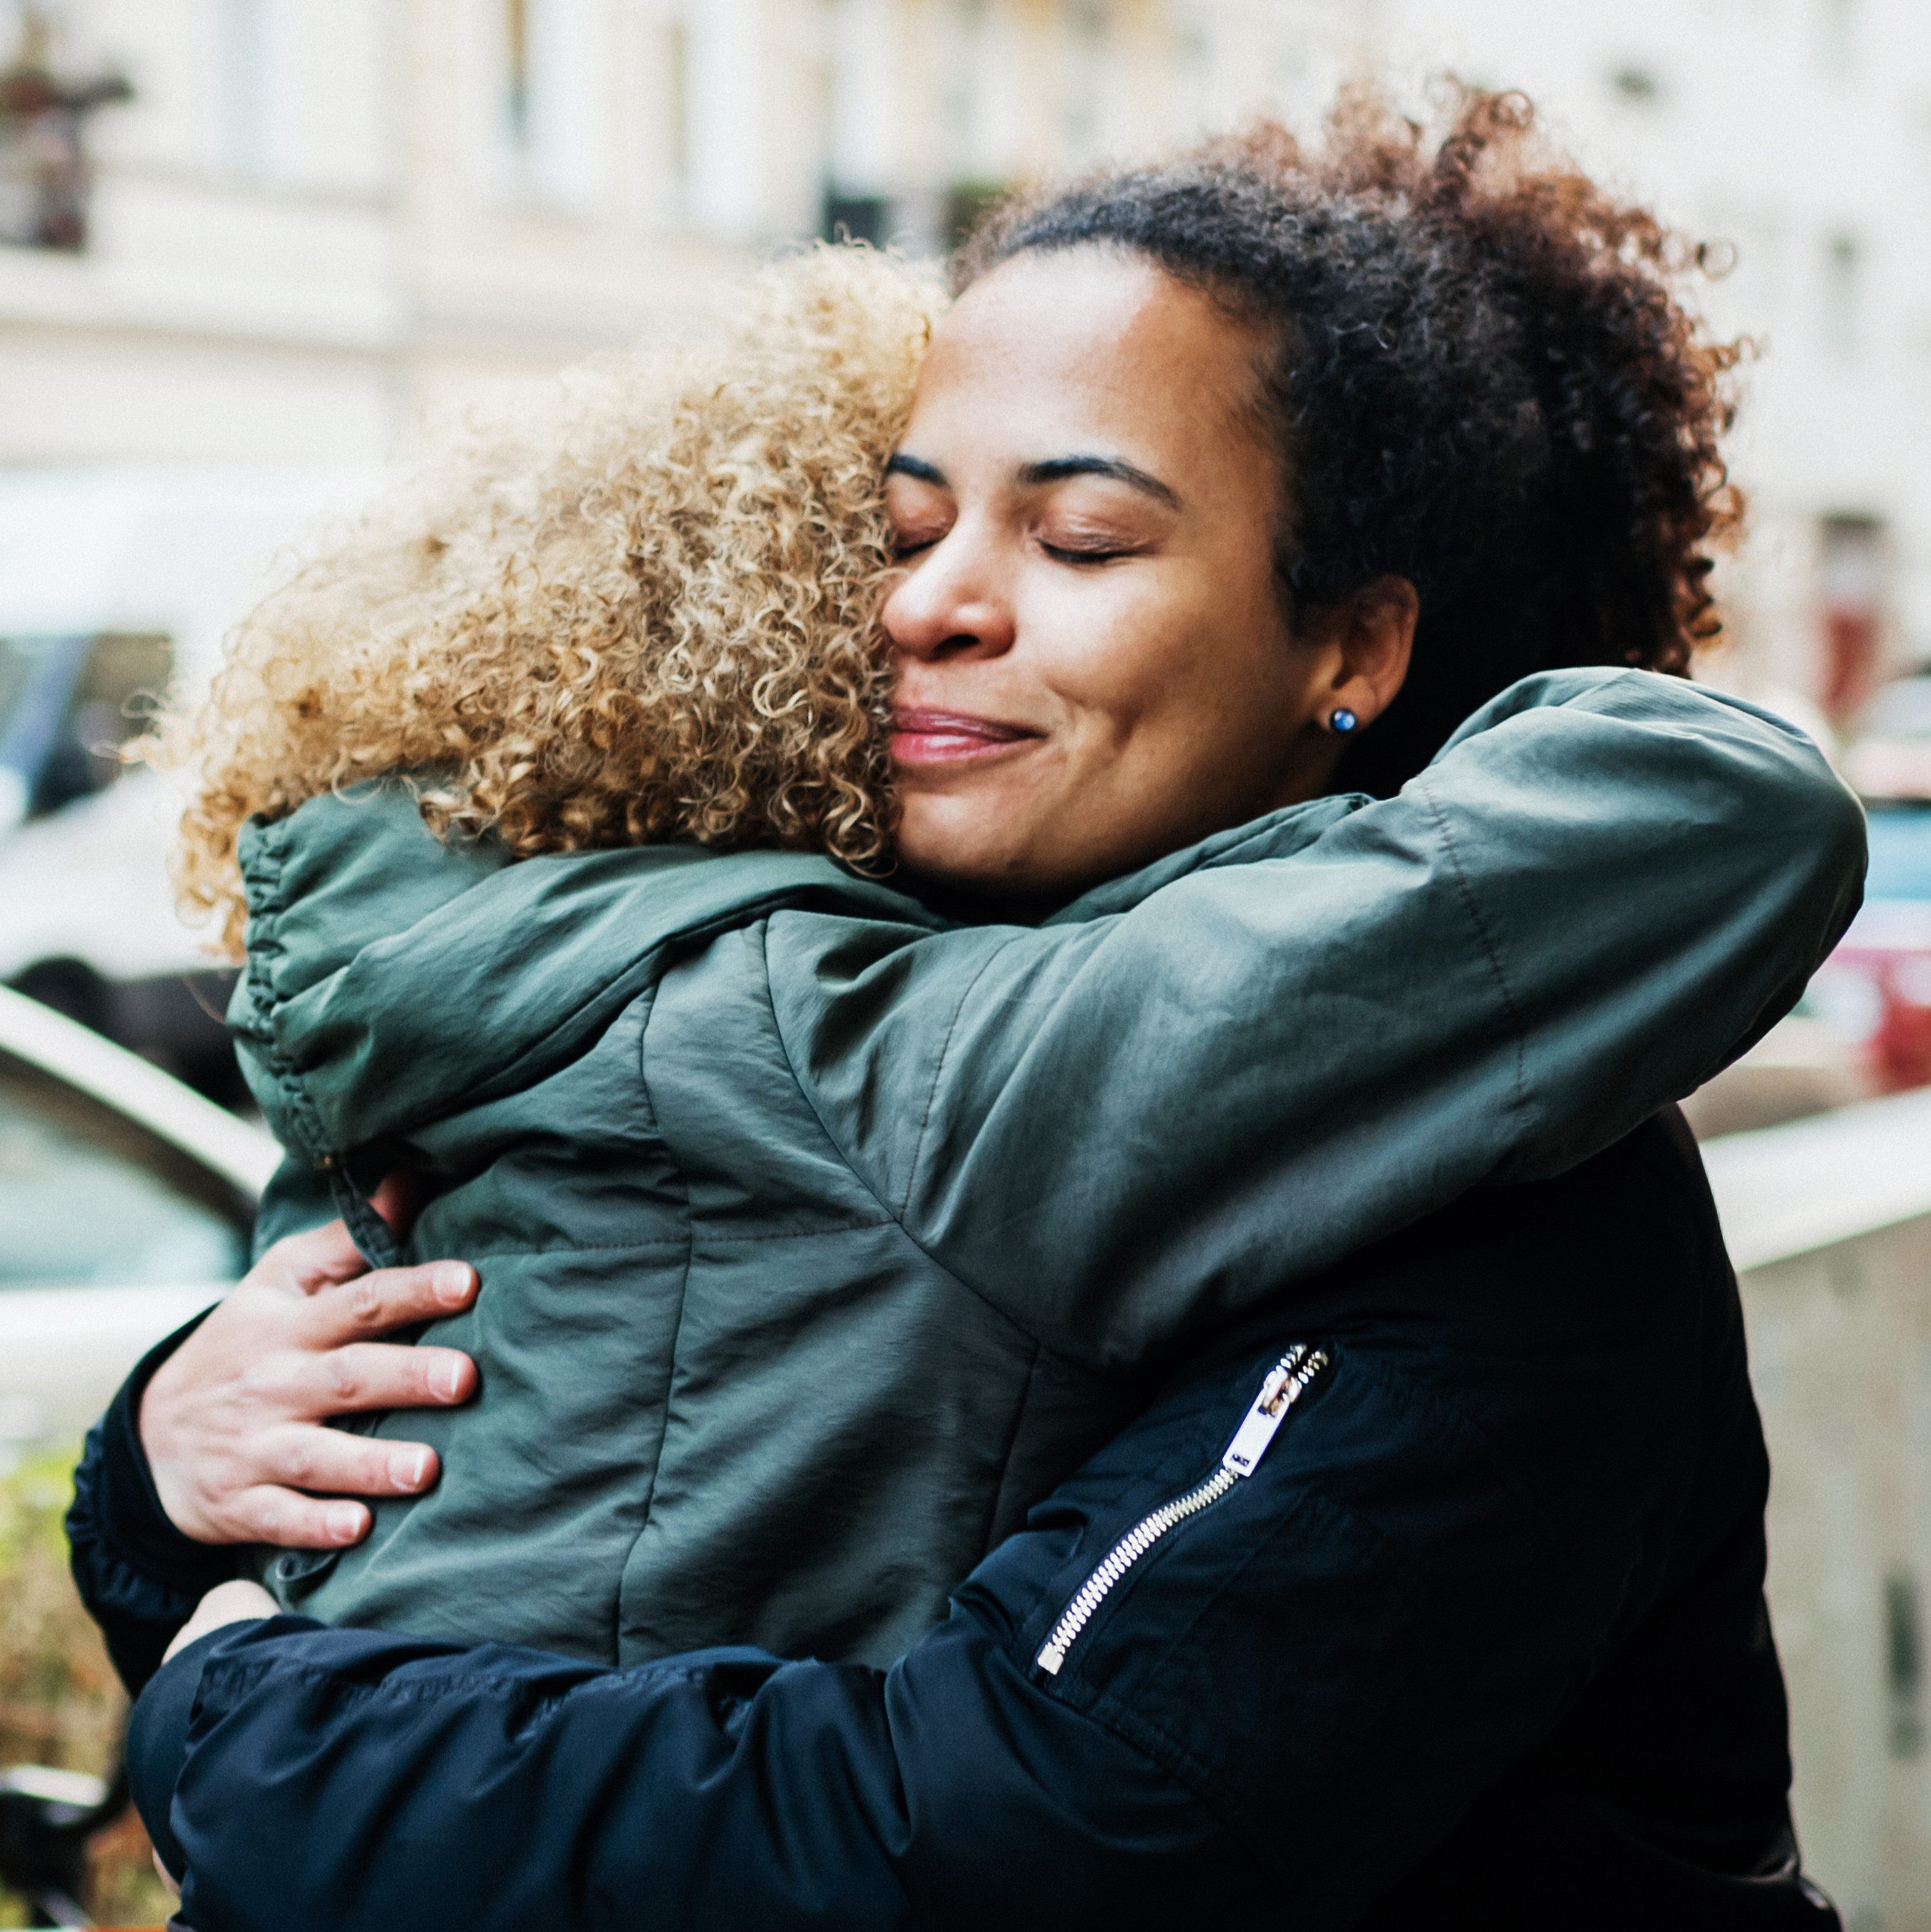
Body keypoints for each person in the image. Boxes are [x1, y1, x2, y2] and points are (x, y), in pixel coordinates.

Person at [77, 93, 1859, 1925]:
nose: (935, 604)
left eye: (1079, 540)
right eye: (896, 527)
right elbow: (530, 1512)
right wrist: (165, 1466)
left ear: (1352, 646)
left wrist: (258, 1733)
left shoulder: (1490, 1172)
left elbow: (1029, 1815)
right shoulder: (830, 989)